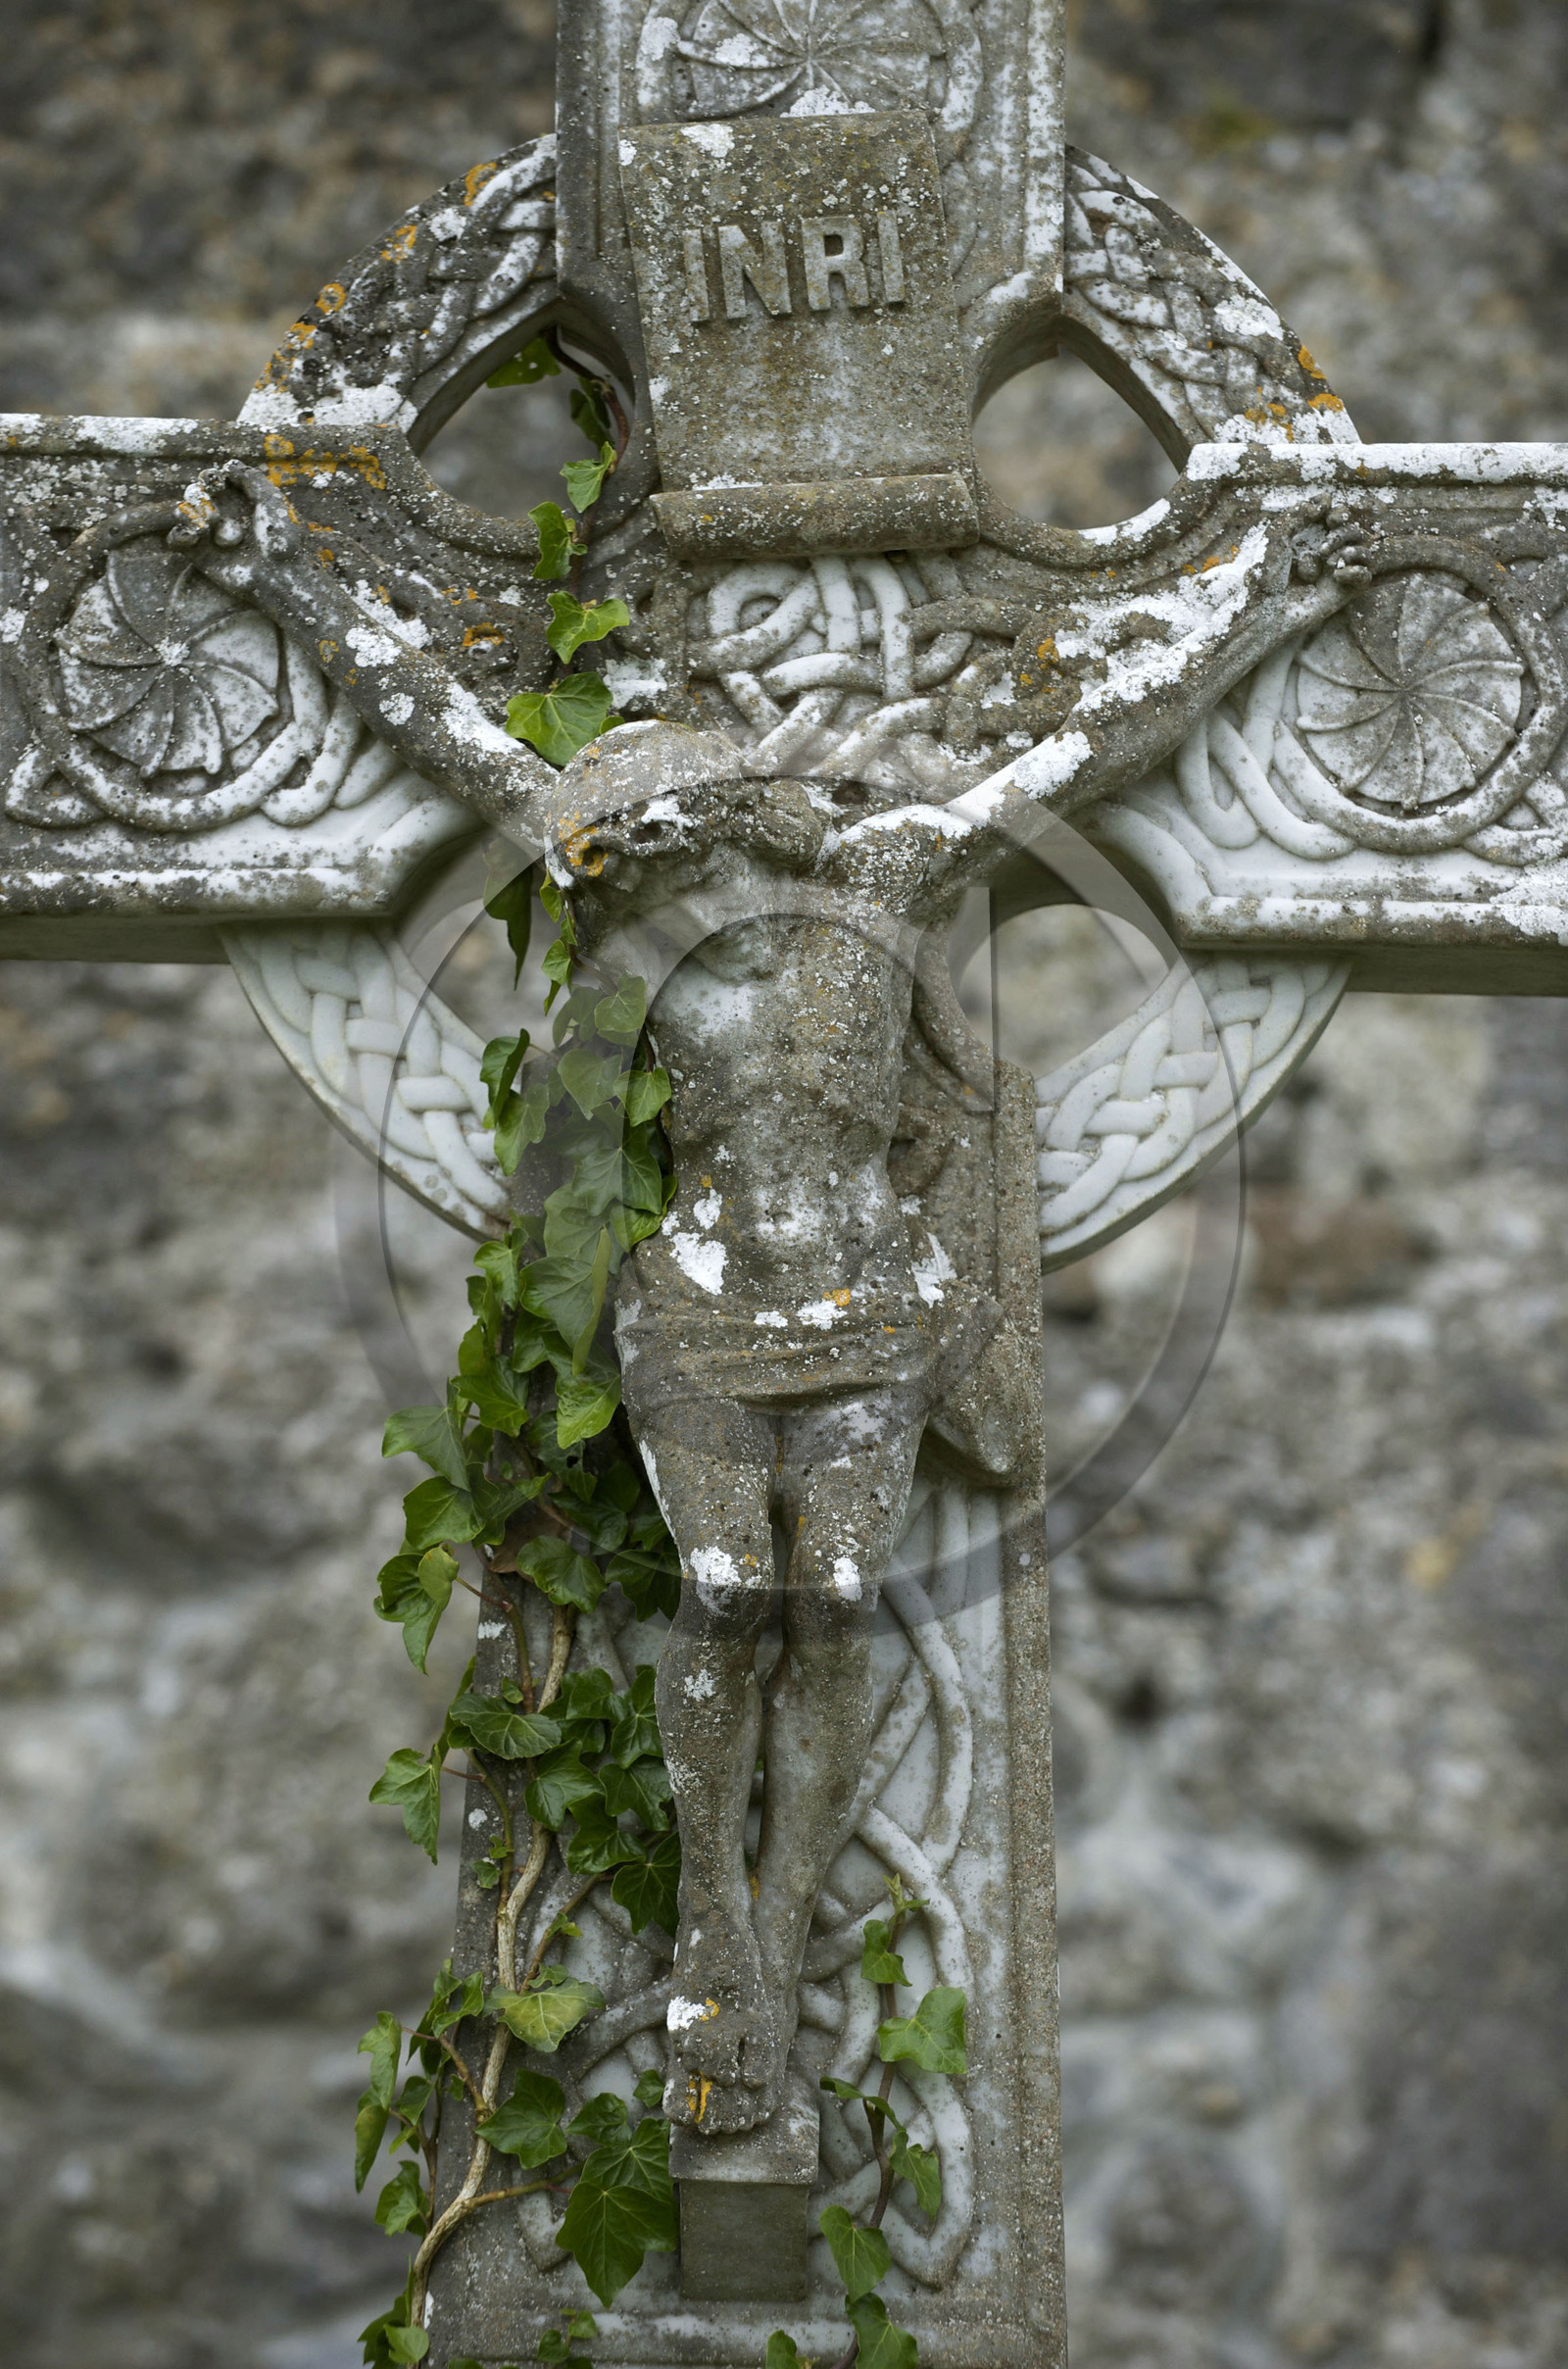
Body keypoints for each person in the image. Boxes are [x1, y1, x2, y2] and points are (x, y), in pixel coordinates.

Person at [551, 721, 1035, 2134]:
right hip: (696, 1300)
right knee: (721, 1590)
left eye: (683, 840)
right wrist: (277, 530)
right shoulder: (642, 962)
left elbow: (1066, 763)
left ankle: (773, 1932)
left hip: (871, 1302)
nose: (667, 870)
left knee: (829, 1601)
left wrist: (1266, 592)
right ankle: (710, 1898)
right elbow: (470, 758)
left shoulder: (881, 884)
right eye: (642, 859)